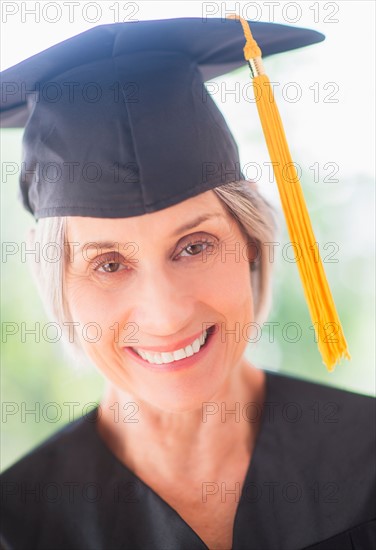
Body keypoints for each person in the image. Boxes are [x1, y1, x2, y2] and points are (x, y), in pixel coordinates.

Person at [0, 17, 375, 550]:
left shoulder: (367, 462)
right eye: (108, 264)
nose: (166, 314)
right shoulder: (18, 527)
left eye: (194, 246)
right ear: (57, 280)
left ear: (249, 241)